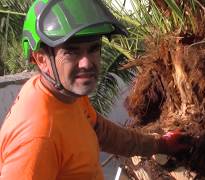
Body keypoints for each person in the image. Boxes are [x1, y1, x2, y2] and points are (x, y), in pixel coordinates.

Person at [0, 0, 191, 179]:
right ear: (41, 59)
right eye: (71, 51)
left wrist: (159, 144)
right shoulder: (38, 139)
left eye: (93, 48)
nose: (87, 63)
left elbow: (100, 130)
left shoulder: (65, 94)